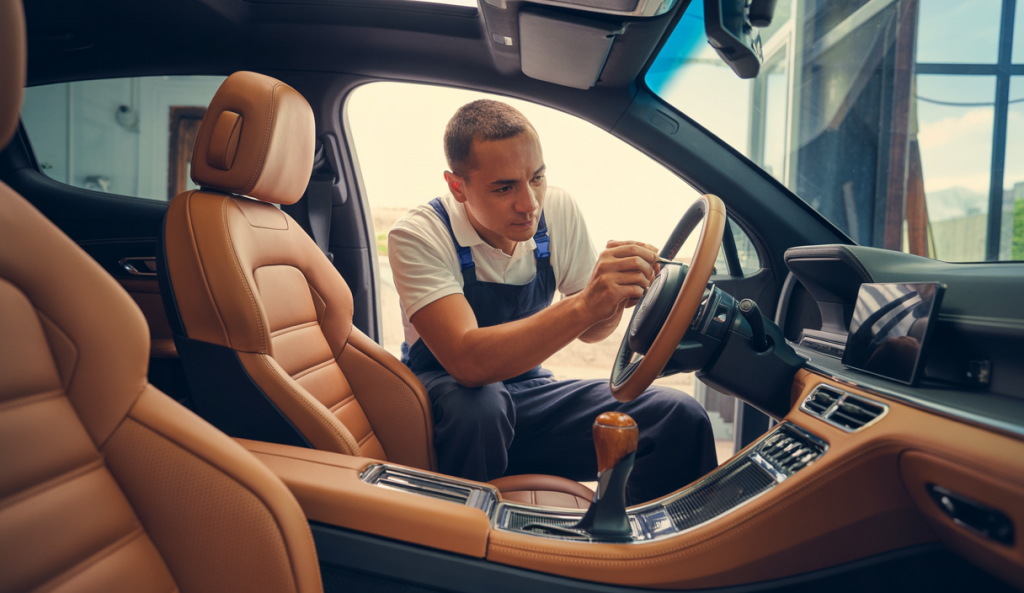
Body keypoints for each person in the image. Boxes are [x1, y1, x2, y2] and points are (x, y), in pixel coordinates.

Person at [388, 99, 717, 504]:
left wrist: (612, 299)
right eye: (504, 187)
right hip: (449, 405)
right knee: (481, 407)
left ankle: (647, 553)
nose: (529, 204)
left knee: (676, 416)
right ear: (458, 187)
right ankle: (467, 534)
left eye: (537, 178)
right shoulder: (419, 236)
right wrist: (584, 305)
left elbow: (594, 332)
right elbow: (467, 363)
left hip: (529, 394)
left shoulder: (556, 209)